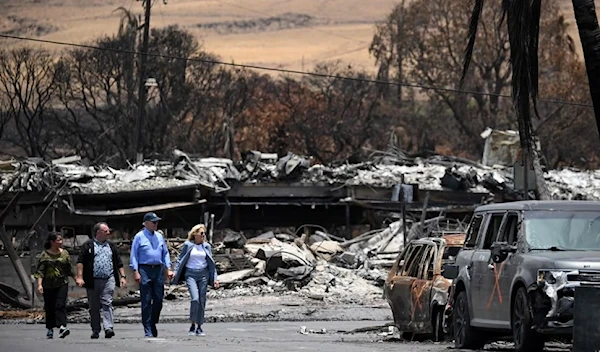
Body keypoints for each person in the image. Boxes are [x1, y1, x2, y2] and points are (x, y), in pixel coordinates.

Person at [76, 222, 128, 339]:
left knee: (107, 302)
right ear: (98, 232)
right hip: (92, 280)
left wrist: (123, 277)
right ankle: (95, 329)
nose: (108, 233)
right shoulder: (88, 245)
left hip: (108, 279)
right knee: (94, 306)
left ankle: (108, 327)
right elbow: (80, 262)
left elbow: (119, 263)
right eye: (106, 231)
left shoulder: (111, 246)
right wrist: (79, 277)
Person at [129, 212, 174, 337]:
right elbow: (134, 255)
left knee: (159, 299)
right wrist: (136, 271)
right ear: (146, 223)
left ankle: (153, 321)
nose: (156, 224)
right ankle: (147, 328)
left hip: (158, 269)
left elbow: (165, 253)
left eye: (157, 222)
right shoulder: (139, 236)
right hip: (144, 269)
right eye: (154, 222)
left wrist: (168, 268)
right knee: (146, 300)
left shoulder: (159, 236)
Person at [173, 224, 220, 336]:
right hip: (190, 274)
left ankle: (199, 326)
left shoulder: (206, 246)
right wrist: (175, 271)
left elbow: (211, 264)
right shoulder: (188, 245)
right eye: (201, 233)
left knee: (202, 301)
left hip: (203, 274)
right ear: (195, 234)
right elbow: (180, 260)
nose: (203, 236)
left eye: (204, 234)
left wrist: (215, 278)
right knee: (195, 299)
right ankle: (192, 324)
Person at [33, 232, 76, 339]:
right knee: (49, 307)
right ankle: (50, 328)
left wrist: (77, 279)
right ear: (52, 242)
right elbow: (40, 272)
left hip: (62, 283)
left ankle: (62, 327)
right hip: (48, 285)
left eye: (61, 240)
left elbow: (69, 269)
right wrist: (39, 285)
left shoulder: (65, 254)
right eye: (58, 240)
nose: (61, 242)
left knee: (60, 305)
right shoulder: (45, 255)